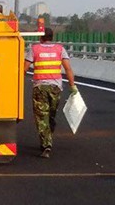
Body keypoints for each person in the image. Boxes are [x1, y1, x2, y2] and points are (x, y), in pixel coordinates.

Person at [25, 27, 77, 158]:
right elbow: (68, 69)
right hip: (55, 88)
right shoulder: (60, 49)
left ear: (40, 37)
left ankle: (46, 145)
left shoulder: (35, 49)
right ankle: (48, 137)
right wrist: (72, 86)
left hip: (40, 88)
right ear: (52, 37)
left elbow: (24, 68)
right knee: (51, 115)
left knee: (42, 117)